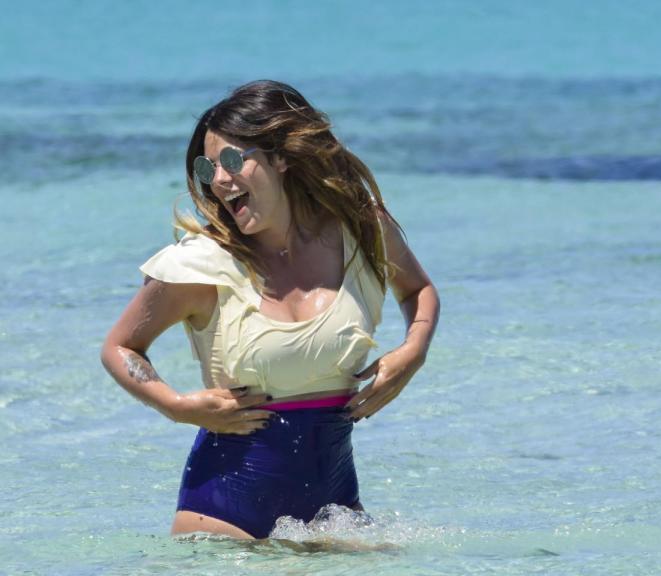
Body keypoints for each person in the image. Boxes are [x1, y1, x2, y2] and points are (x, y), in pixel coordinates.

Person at [101, 80, 440, 540]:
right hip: (224, 516)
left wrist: (412, 351)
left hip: (336, 511)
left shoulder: (360, 231)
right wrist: (178, 407)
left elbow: (418, 290)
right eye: (209, 167)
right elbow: (121, 347)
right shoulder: (200, 264)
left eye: (234, 161)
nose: (220, 180)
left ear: (282, 157)